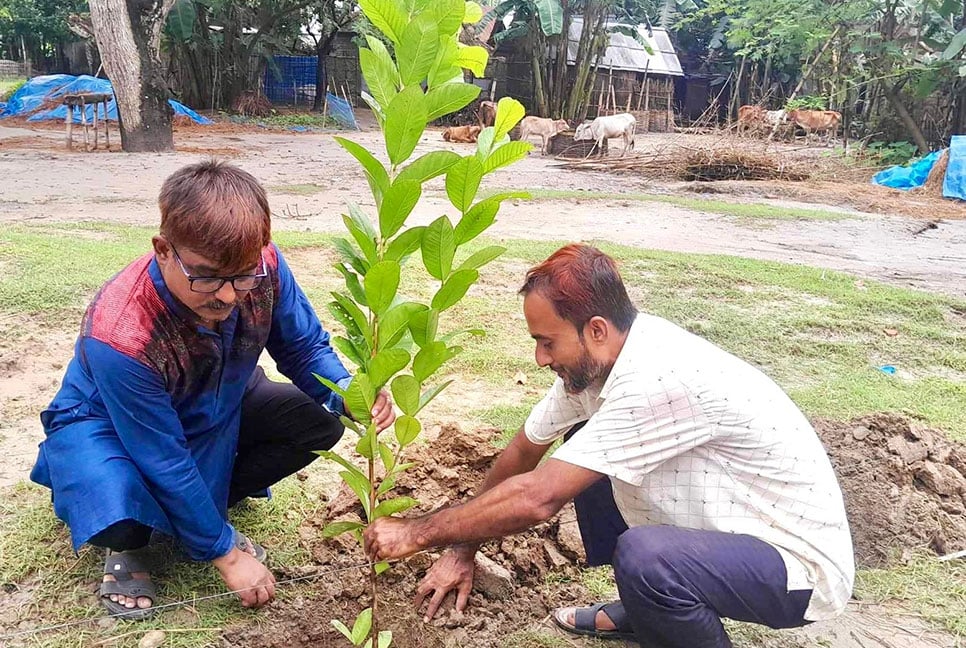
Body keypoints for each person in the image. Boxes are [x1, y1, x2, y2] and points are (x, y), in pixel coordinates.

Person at [364, 244, 855, 647]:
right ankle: (651, 610)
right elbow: (524, 451)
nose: (539, 358)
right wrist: (462, 548)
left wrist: (417, 533)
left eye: (547, 342)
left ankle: (660, 598)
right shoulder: (598, 369)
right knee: (583, 447)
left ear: (595, 329)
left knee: (649, 558)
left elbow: (538, 498)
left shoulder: (658, 377)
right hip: (733, 531)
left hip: (798, 570)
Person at [31, 160, 394, 619]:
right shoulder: (120, 334)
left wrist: (345, 392)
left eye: (241, 276)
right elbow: (161, 454)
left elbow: (302, 347)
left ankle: (199, 516)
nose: (227, 295)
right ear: (163, 249)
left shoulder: (265, 268)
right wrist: (227, 555)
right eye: (205, 276)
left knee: (317, 422)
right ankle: (133, 543)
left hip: (218, 396)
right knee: (110, 493)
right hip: (114, 422)